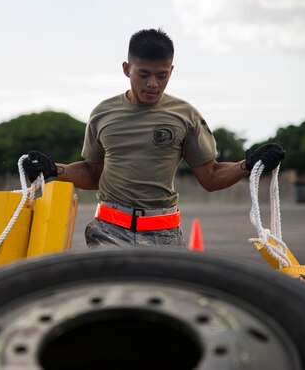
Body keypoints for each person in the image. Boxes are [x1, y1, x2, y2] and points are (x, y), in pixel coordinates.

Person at [23, 28, 285, 248]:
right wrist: (54, 169)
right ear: (127, 69)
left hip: (165, 235)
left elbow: (211, 177)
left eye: (162, 75)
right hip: (108, 232)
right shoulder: (102, 114)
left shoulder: (186, 115)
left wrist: (248, 165)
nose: (153, 84)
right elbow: (93, 174)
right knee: (115, 304)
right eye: (144, 74)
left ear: (171, 70)